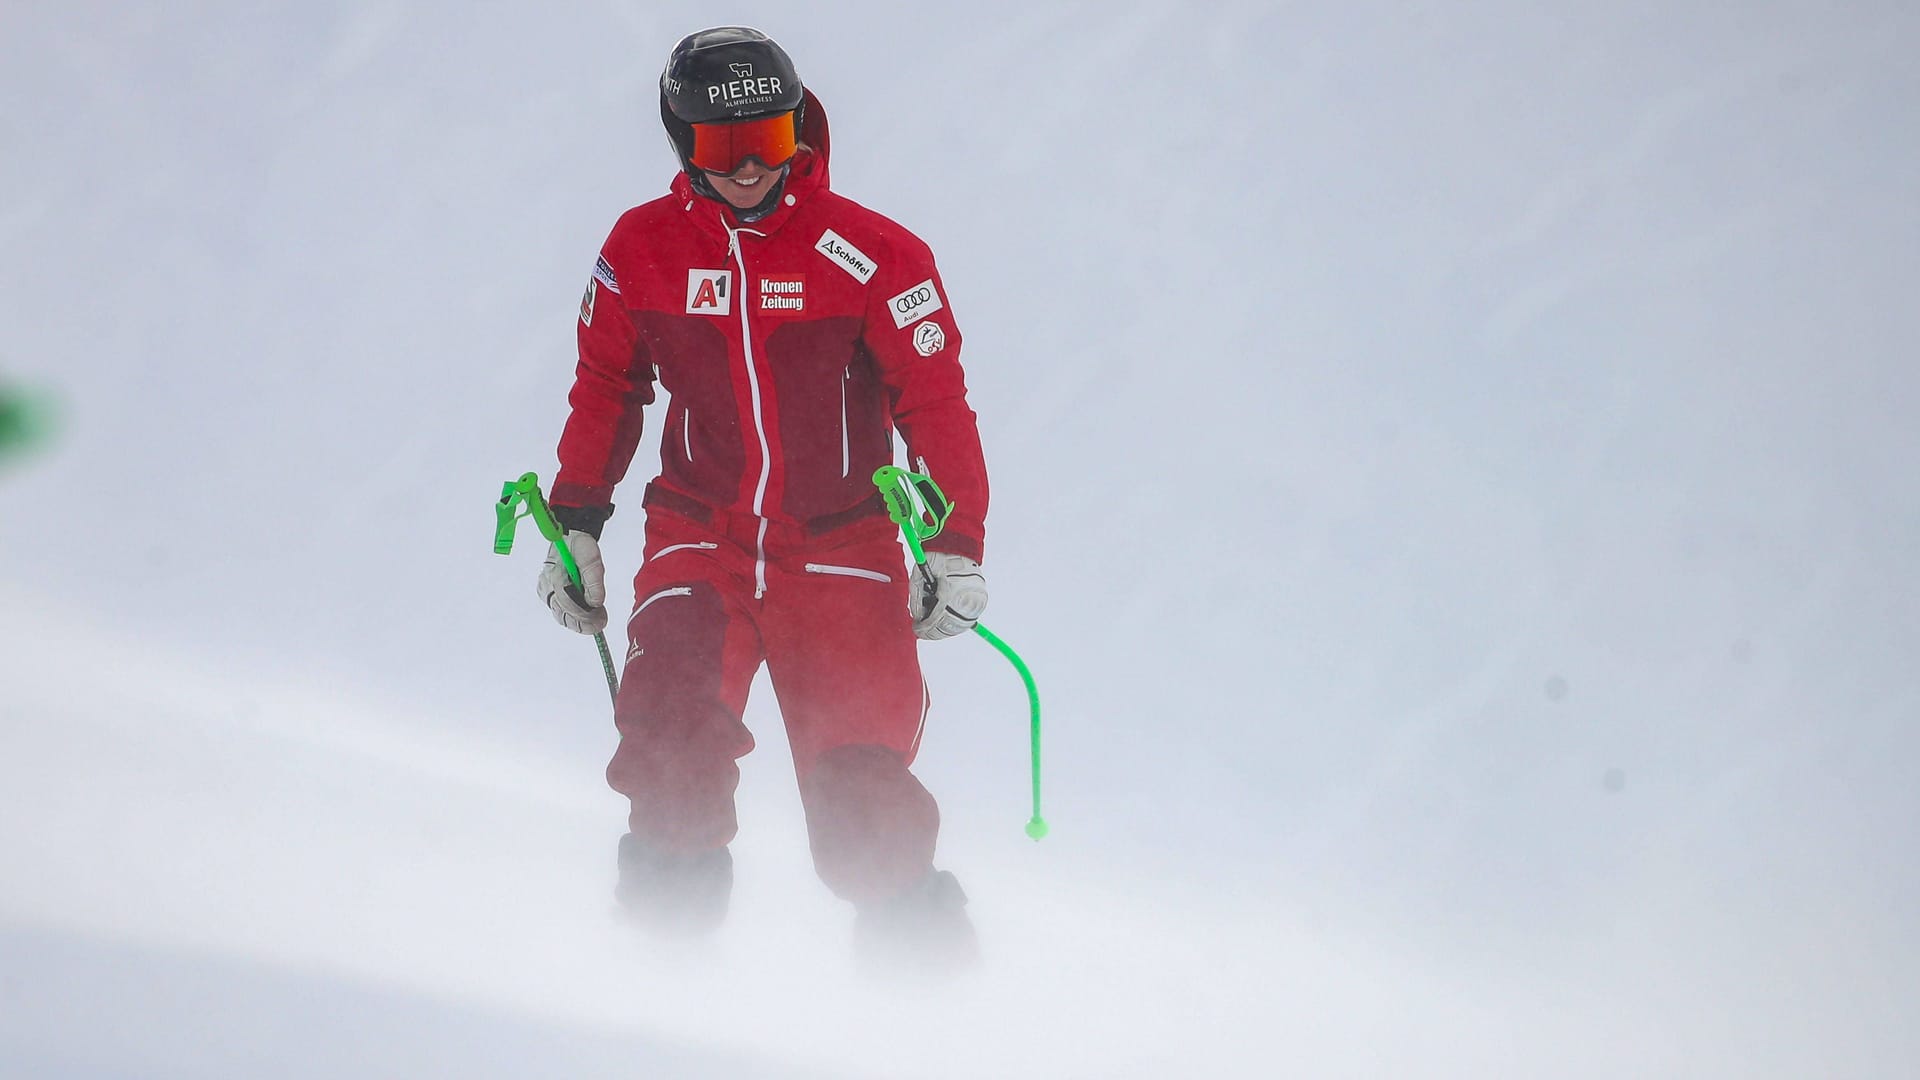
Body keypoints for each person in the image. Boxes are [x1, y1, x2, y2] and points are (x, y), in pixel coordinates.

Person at [537, 27, 990, 969]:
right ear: (680, 141)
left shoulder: (873, 253)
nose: (747, 168)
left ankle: (932, 1005)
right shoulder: (642, 248)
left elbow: (933, 400)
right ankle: (657, 978)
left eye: (770, 140)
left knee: (864, 802)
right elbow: (607, 385)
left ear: (799, 131)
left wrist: (954, 544)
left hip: (840, 548)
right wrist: (575, 523)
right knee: (670, 745)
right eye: (718, 147)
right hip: (698, 535)